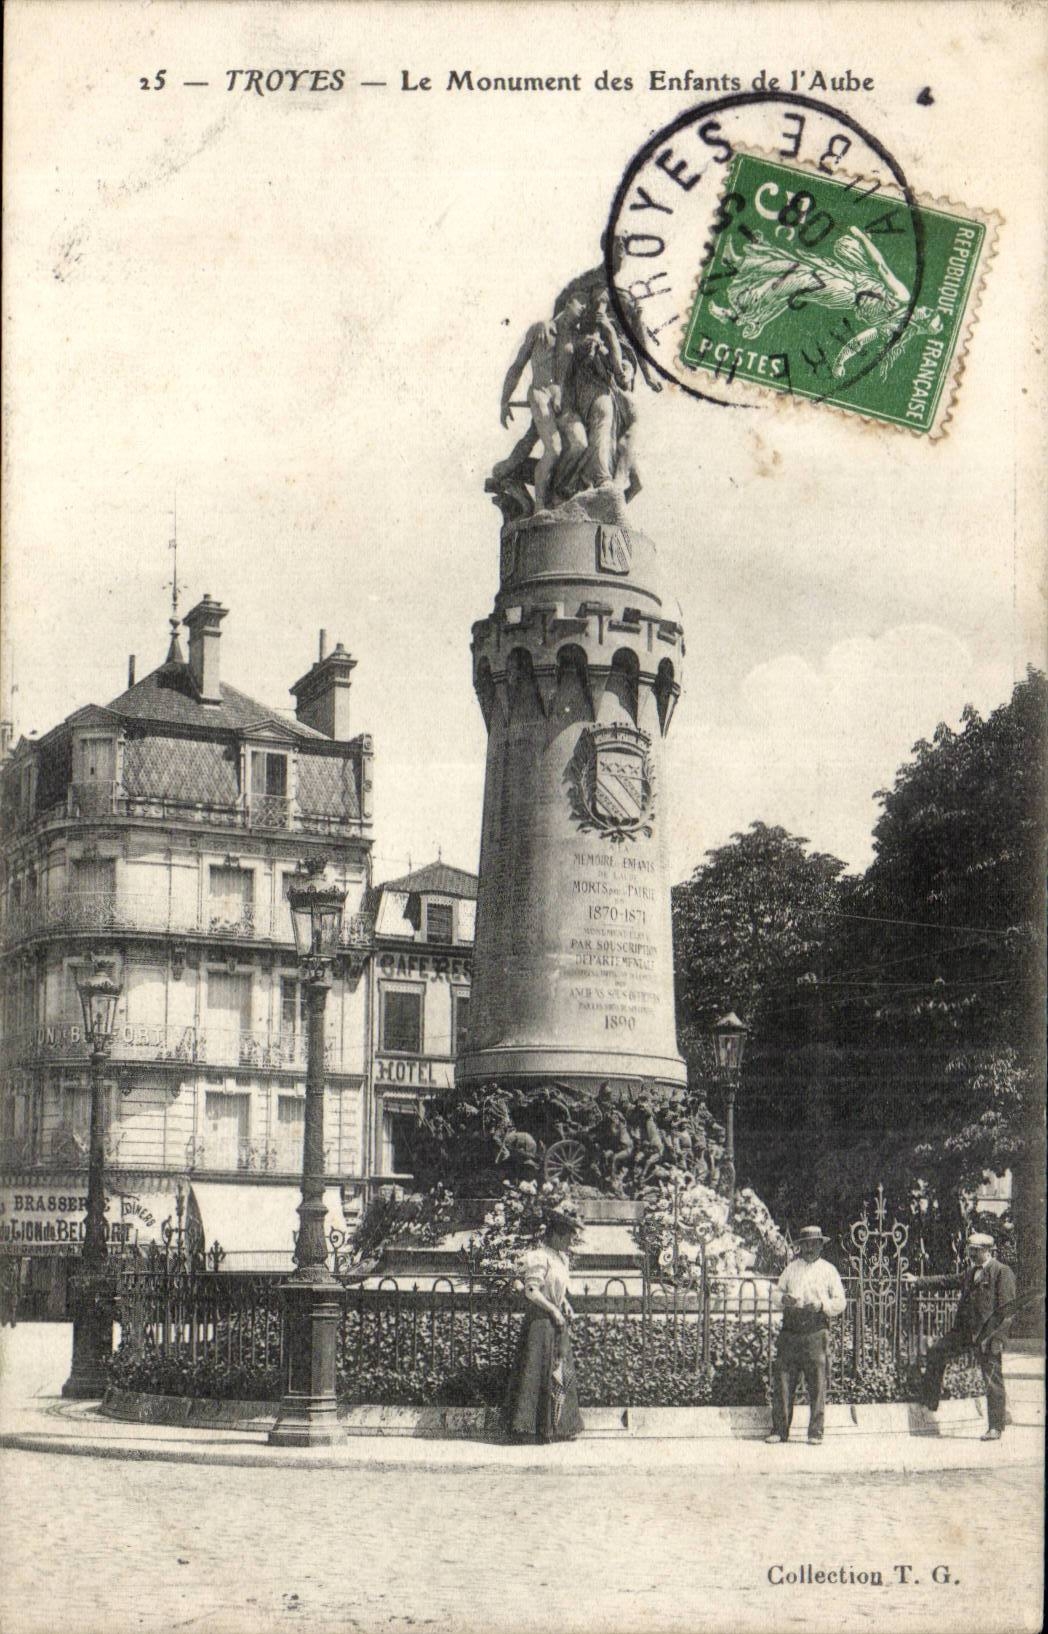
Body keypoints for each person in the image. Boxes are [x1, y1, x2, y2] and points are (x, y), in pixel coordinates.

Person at [911, 1231, 1017, 1441]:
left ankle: (995, 1427)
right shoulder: (971, 1272)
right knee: (937, 1352)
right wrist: (918, 1280)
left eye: (975, 1251)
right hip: (963, 1332)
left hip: (987, 1336)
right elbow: (947, 1281)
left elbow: (1008, 1311)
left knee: (992, 1380)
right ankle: (930, 1400)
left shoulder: (1001, 1272)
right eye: (970, 1250)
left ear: (987, 1251)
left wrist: (998, 1339)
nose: (970, 1254)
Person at [504, 1207, 584, 1443]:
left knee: (560, 1372)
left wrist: (564, 1303)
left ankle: (560, 1427)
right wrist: (552, 1309)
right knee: (536, 1372)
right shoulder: (540, 1257)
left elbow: (555, 1288)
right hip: (540, 1322)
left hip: (556, 1319)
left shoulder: (560, 1258)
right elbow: (531, 1291)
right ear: (557, 1236)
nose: (572, 1242)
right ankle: (530, 1429)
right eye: (569, 1237)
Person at [765, 1225, 846, 1446]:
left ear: (821, 1245)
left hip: (816, 1331)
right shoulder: (791, 1269)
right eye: (805, 1244)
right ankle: (780, 1431)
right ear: (799, 1247)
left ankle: (815, 1432)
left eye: (813, 1244)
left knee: (817, 1383)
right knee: (783, 1381)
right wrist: (784, 1300)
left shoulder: (829, 1271)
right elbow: (775, 1292)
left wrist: (821, 1305)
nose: (809, 1248)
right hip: (790, 1331)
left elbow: (841, 1302)